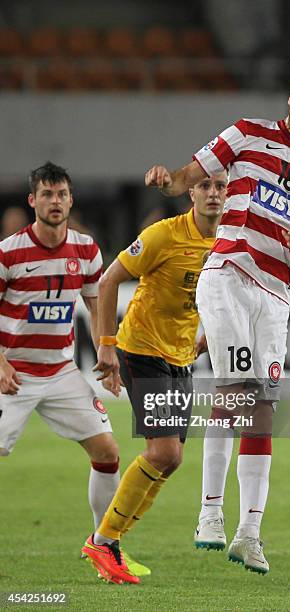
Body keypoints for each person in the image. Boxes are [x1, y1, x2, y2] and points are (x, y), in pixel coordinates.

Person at [144, 82, 290, 574]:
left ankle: (248, 534)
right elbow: (187, 177)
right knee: (235, 390)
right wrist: (167, 179)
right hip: (227, 275)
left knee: (261, 411)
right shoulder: (247, 133)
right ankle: (209, 514)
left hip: (275, 296)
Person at [81, 172, 228, 584]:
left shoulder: (227, 241)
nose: (213, 193)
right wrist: (106, 346)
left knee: (172, 459)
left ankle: (108, 542)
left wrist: (207, 336)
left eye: (220, 185)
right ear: (192, 193)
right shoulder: (163, 235)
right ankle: (103, 541)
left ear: (229, 191)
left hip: (180, 356)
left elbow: (217, 294)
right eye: (205, 186)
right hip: (142, 350)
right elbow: (109, 280)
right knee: (163, 453)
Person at [0, 162, 142, 579]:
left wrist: (106, 350)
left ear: (71, 198)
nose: (55, 202)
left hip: (61, 371)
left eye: (61, 194)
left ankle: (104, 545)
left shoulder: (85, 249)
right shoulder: (9, 252)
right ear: (32, 201)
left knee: (108, 452)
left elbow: (96, 302)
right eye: (47, 194)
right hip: (15, 372)